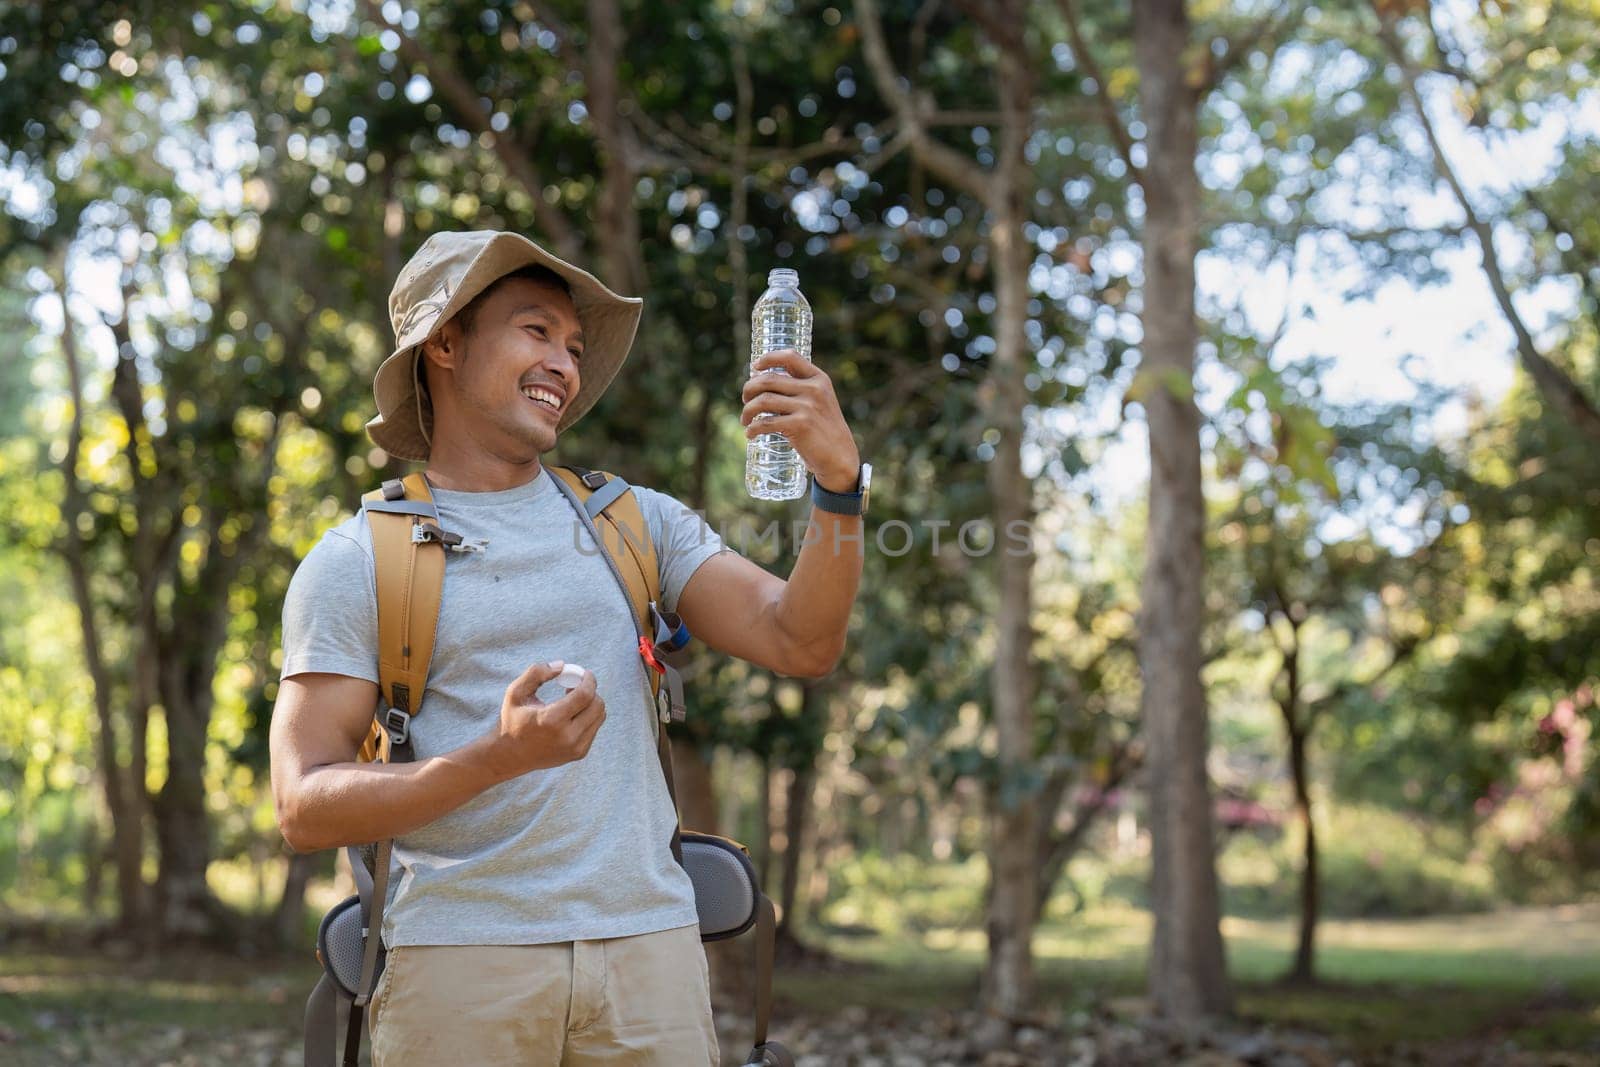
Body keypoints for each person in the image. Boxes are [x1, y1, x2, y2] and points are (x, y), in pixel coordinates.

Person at [268, 229, 867, 1065]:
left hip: (648, 958)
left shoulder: (636, 524)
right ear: (445, 343)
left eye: (575, 347)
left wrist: (839, 487)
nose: (565, 363)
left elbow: (800, 639)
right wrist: (496, 758)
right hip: (459, 965)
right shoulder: (358, 561)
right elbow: (303, 804)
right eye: (536, 330)